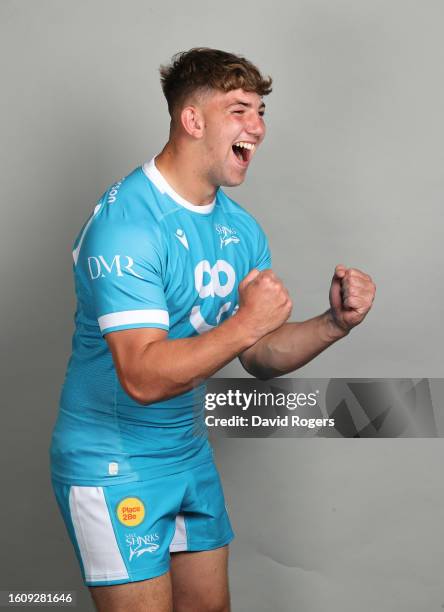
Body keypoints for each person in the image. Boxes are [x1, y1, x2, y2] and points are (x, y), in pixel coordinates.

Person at [50, 47, 376, 612]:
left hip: (187, 453)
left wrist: (333, 324)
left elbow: (260, 352)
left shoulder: (239, 229)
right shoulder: (127, 225)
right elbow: (143, 377)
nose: (259, 127)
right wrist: (247, 321)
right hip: (113, 462)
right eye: (240, 111)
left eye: (262, 111)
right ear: (192, 120)